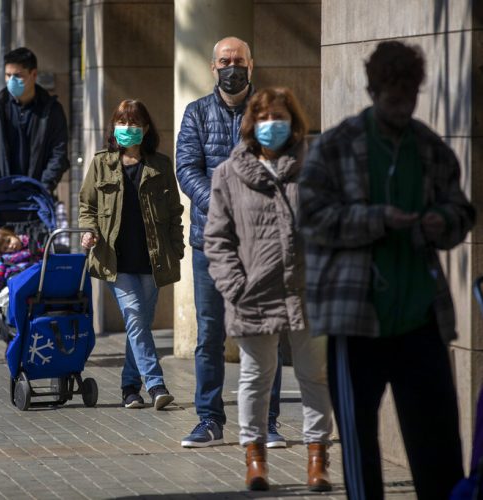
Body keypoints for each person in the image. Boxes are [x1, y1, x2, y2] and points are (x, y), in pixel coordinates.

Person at [298, 41, 474, 500]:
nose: (402, 104)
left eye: (410, 94)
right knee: (359, 447)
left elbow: (462, 211)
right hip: (356, 323)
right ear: (374, 90)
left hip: (420, 319)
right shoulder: (336, 147)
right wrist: (376, 220)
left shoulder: (430, 148)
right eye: (392, 94)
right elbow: (312, 218)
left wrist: (444, 222)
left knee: (438, 447)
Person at [205, 87, 332, 491]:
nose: (271, 124)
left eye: (279, 116)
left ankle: (318, 458)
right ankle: (254, 457)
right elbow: (217, 237)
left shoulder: (315, 167)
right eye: (263, 117)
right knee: (256, 377)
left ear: (293, 122)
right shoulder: (229, 172)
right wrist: (234, 285)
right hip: (253, 292)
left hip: (307, 289)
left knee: (314, 375)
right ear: (251, 124)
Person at [176, 36, 285, 449]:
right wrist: (224, 206)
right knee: (209, 335)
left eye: (238, 60)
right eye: (224, 61)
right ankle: (209, 419)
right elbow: (187, 168)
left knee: (264, 333)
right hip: (212, 243)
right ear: (212, 67)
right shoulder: (197, 113)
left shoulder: (270, 112)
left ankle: (266, 421)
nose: (231, 67)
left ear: (251, 65)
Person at [79, 99, 184, 410]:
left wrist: (176, 249)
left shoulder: (161, 165)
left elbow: (176, 212)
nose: (127, 129)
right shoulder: (101, 163)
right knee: (136, 317)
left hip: (153, 259)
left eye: (134, 123)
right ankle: (156, 384)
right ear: (114, 127)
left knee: (138, 325)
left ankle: (129, 388)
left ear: (146, 128)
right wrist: (89, 230)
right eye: (122, 123)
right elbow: (87, 205)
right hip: (115, 259)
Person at [0, 47, 70, 303]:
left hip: (35, 201)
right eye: (8, 75)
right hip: (1, 201)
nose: (12, 80)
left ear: (33, 74)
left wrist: (43, 187)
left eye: (18, 75)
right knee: (6, 261)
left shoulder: (50, 110)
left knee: (37, 259)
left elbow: (59, 153)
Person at [0, 228, 44, 307]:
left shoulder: (32, 244)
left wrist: (37, 250)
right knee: (12, 280)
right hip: (16, 277)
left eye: (9, 241)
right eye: (5, 248)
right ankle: (8, 294)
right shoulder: (5, 259)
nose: (10, 246)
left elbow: (44, 254)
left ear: (13, 235)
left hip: (37, 275)